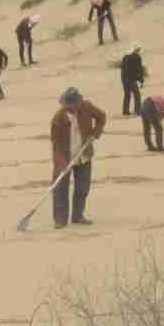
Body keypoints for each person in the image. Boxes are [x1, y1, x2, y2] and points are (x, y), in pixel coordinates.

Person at [50, 88, 106, 229]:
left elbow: (101, 117)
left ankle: (78, 216)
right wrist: (62, 164)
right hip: (64, 156)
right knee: (60, 189)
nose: (74, 107)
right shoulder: (57, 119)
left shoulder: (86, 107)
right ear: (65, 105)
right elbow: (56, 145)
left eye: (76, 104)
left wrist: (95, 133)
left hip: (83, 154)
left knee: (82, 188)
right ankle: (60, 220)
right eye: (70, 106)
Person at [120, 44, 145, 116]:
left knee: (127, 95)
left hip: (124, 79)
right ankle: (138, 111)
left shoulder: (125, 57)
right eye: (138, 50)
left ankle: (125, 111)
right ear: (136, 50)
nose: (139, 51)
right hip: (131, 79)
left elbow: (122, 68)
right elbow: (139, 70)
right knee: (137, 95)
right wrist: (141, 80)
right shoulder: (137, 57)